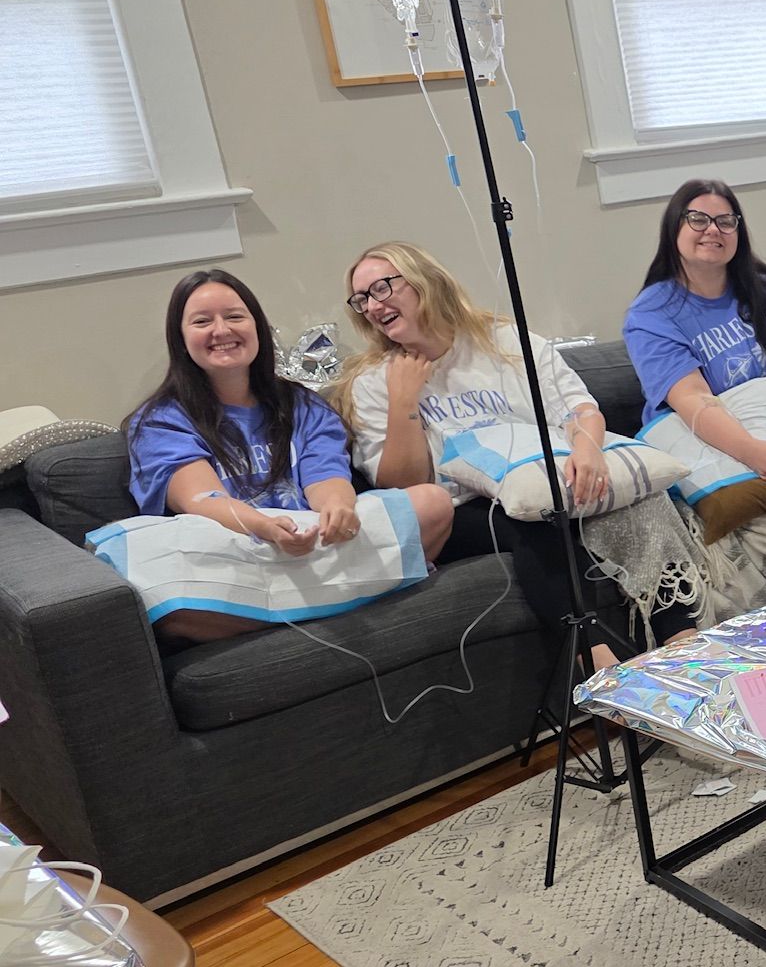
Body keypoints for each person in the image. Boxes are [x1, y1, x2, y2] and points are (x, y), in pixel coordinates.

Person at [333, 241, 682, 663]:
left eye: (383, 288)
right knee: (535, 519)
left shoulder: (505, 342)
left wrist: (589, 451)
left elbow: (579, 408)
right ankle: (599, 664)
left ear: (425, 281)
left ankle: (684, 644)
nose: (371, 306)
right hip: (464, 508)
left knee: (643, 501)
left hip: (545, 477)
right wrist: (404, 400)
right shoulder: (374, 382)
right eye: (362, 299)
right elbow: (401, 485)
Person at [125, 269, 453, 643]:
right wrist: (266, 527)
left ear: (257, 329)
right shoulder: (161, 421)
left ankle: (290, 607)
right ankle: (357, 593)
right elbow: (203, 501)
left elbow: (325, 475)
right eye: (202, 321)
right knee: (163, 593)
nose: (221, 330)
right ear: (181, 339)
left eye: (234, 316)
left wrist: (338, 508)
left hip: (313, 544)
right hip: (236, 553)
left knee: (433, 503)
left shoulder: (300, 404)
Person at [623, 177, 766, 483]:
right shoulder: (650, 315)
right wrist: (752, 452)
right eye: (698, 219)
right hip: (708, 445)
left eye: (725, 221)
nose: (713, 229)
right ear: (673, 228)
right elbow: (692, 398)